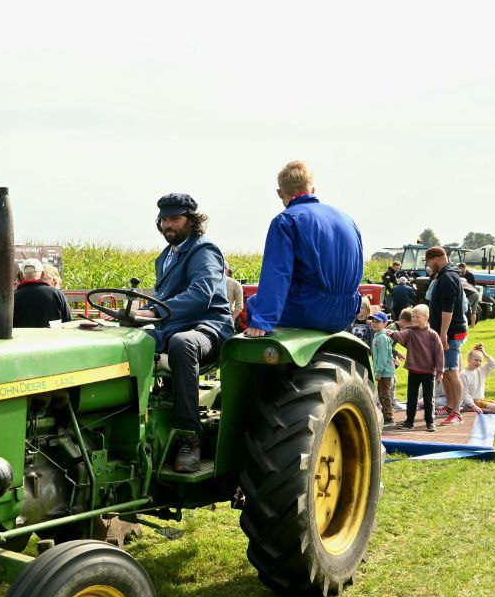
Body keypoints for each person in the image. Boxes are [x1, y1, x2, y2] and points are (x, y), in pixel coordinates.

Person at [135, 192, 234, 472]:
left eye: (175, 219)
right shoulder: (165, 257)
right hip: (173, 326)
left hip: (208, 328)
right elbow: (162, 298)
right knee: (125, 340)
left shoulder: (204, 250)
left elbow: (201, 295)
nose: (169, 225)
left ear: (191, 221)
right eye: (164, 219)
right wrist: (134, 314)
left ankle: (189, 438)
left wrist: (154, 312)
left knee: (182, 344)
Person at [244, 161, 363, 336]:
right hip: (348, 311)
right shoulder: (347, 219)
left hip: (312, 310)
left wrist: (262, 321)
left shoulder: (286, 220)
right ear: (312, 190)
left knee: (254, 303)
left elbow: (277, 274)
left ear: (280, 193)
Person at [423, 247, 468, 425]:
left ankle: (456, 412)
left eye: (428, 262)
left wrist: (443, 334)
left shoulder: (448, 277)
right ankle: (450, 406)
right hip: (446, 332)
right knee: (447, 372)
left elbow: (448, 309)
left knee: (451, 372)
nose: (427, 266)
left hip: (451, 333)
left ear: (435, 259)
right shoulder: (444, 274)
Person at [390, 304, 443, 432]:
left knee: (428, 398)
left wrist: (440, 371)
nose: (414, 319)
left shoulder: (432, 335)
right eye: (413, 316)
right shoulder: (410, 332)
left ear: (426, 318)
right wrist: (392, 333)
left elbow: (439, 353)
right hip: (413, 371)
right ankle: (409, 421)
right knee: (411, 398)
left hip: (428, 372)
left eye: (417, 316)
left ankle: (430, 422)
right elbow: (400, 336)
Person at [13, 258, 72, 328]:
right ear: (42, 275)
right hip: (52, 338)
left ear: (21, 276)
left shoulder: (13, 297)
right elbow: (68, 323)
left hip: (22, 338)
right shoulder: (57, 294)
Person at [459, 344, 495, 415]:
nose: (478, 363)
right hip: (472, 401)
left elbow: (494, 364)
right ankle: (467, 408)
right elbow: (464, 394)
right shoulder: (463, 374)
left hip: (480, 399)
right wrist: (473, 405)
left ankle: (476, 408)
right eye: (476, 360)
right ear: (469, 359)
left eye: (480, 361)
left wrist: (485, 354)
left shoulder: (481, 370)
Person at [370, 311, 396, 425]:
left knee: (384, 394)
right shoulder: (378, 335)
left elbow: (383, 356)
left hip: (385, 371)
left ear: (385, 324)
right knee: (381, 393)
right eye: (373, 321)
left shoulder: (382, 338)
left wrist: (379, 371)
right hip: (382, 370)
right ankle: (385, 414)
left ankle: (389, 418)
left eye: (378, 322)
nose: (374, 324)